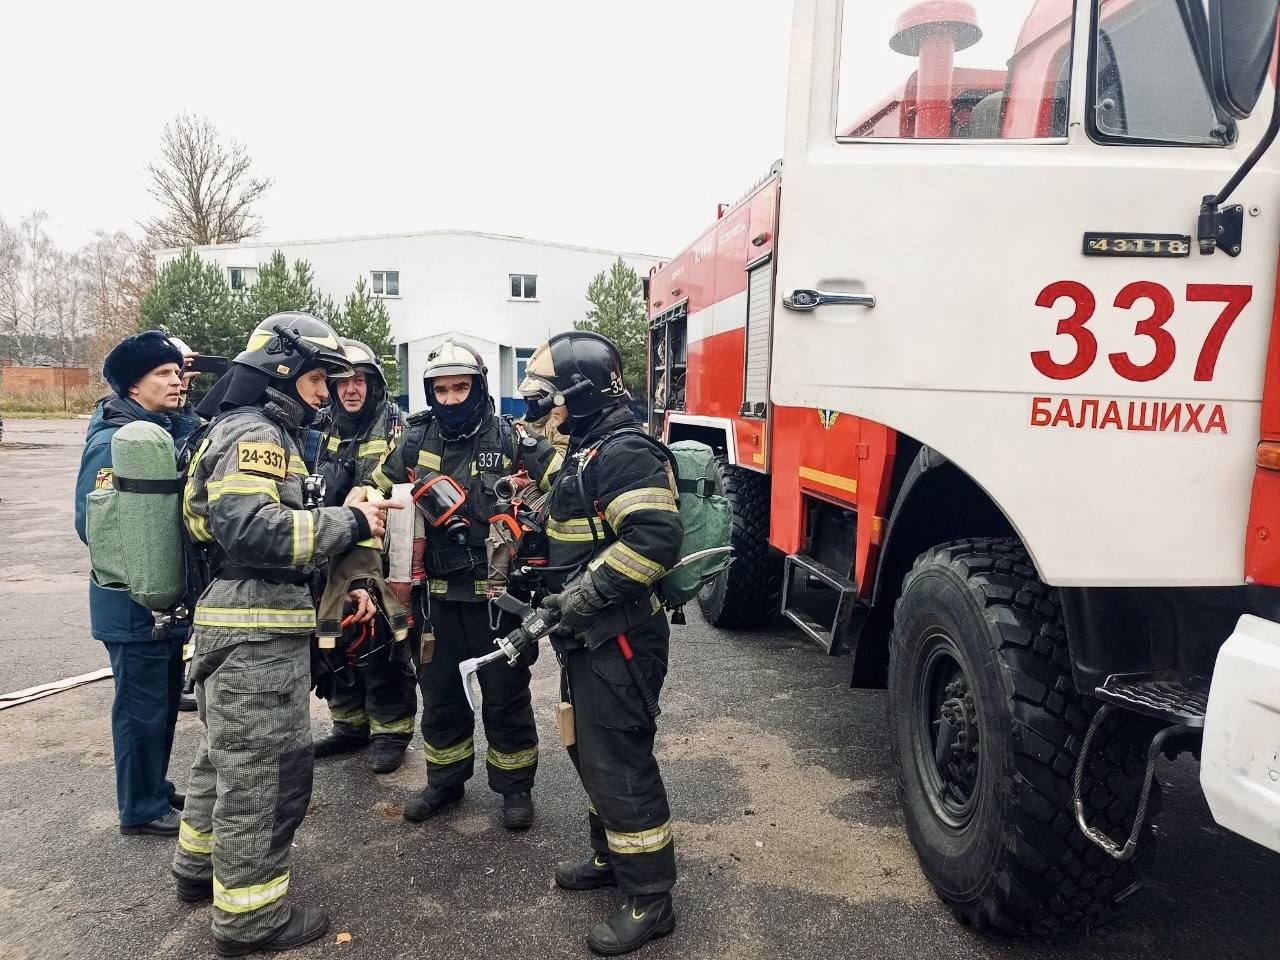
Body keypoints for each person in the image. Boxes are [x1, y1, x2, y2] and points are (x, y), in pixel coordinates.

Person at [171, 312, 400, 957]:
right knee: (265, 775)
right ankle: (250, 920)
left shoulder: (241, 429)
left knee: (224, 758)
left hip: (233, 629)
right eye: (318, 381)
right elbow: (257, 531)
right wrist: (350, 522)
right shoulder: (256, 436)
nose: (327, 394)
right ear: (283, 376)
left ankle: (198, 871)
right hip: (255, 637)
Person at [523, 331, 682, 955]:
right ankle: (611, 858)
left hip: (619, 637)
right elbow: (579, 524)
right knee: (589, 749)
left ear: (579, 395)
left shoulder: (624, 453)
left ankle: (651, 899)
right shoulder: (584, 449)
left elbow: (653, 541)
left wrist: (584, 596)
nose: (540, 406)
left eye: (549, 395)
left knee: (619, 759)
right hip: (586, 636)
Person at [372, 338, 559, 830]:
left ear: (479, 387)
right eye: (441, 389)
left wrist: (530, 508)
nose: (451, 398)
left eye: (461, 387)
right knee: (440, 696)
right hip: (434, 601)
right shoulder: (413, 441)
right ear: (430, 393)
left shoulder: (513, 438)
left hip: (497, 601)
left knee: (506, 694)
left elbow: (566, 488)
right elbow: (375, 494)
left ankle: (515, 789)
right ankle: (444, 780)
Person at [74, 331, 201, 837]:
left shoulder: (153, 431)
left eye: (177, 373)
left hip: (160, 595)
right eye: (164, 375)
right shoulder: (113, 442)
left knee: (164, 702)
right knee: (139, 711)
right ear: (133, 385)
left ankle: (153, 786)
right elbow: (94, 524)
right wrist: (142, 571)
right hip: (131, 601)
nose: (177, 382)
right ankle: (139, 807)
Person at [311, 338, 416, 773]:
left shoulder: (398, 427)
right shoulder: (320, 426)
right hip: (327, 548)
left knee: (381, 643)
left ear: (373, 385)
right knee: (334, 639)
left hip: (379, 553)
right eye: (341, 383)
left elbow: (406, 491)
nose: (350, 390)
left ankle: (392, 730)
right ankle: (349, 725)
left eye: (359, 382)